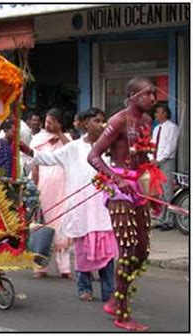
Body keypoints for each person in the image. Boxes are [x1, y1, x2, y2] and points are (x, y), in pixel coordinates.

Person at [87, 76, 164, 331]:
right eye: (147, 94)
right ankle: (122, 314)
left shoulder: (146, 121)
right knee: (128, 248)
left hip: (139, 189)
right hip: (119, 192)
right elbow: (93, 156)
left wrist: (153, 189)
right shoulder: (119, 120)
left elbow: (145, 159)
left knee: (142, 251)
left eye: (154, 94)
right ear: (132, 96)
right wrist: (117, 179)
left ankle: (114, 300)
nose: (152, 99)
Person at [25, 108, 117, 302]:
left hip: (103, 209)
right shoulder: (74, 148)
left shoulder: (111, 147)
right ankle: (84, 287)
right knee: (83, 250)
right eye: (97, 121)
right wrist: (24, 148)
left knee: (106, 251)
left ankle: (109, 291)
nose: (102, 125)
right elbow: (47, 159)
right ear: (85, 124)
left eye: (103, 121)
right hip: (81, 209)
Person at [29, 108, 72, 279]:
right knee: (42, 227)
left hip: (63, 188)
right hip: (44, 188)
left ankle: (65, 268)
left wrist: (60, 133)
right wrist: (34, 186)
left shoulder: (67, 139)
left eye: (52, 121)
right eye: (47, 121)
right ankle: (39, 267)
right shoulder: (38, 139)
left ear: (59, 123)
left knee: (62, 227)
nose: (48, 124)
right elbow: (34, 164)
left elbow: (72, 152)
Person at [151, 104, 180, 231]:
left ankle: (170, 220)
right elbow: (152, 143)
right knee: (160, 191)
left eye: (158, 112)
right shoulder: (156, 128)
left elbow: (170, 146)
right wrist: (151, 158)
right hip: (155, 162)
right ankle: (162, 218)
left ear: (165, 113)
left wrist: (160, 159)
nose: (156, 115)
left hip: (166, 162)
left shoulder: (172, 127)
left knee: (167, 190)